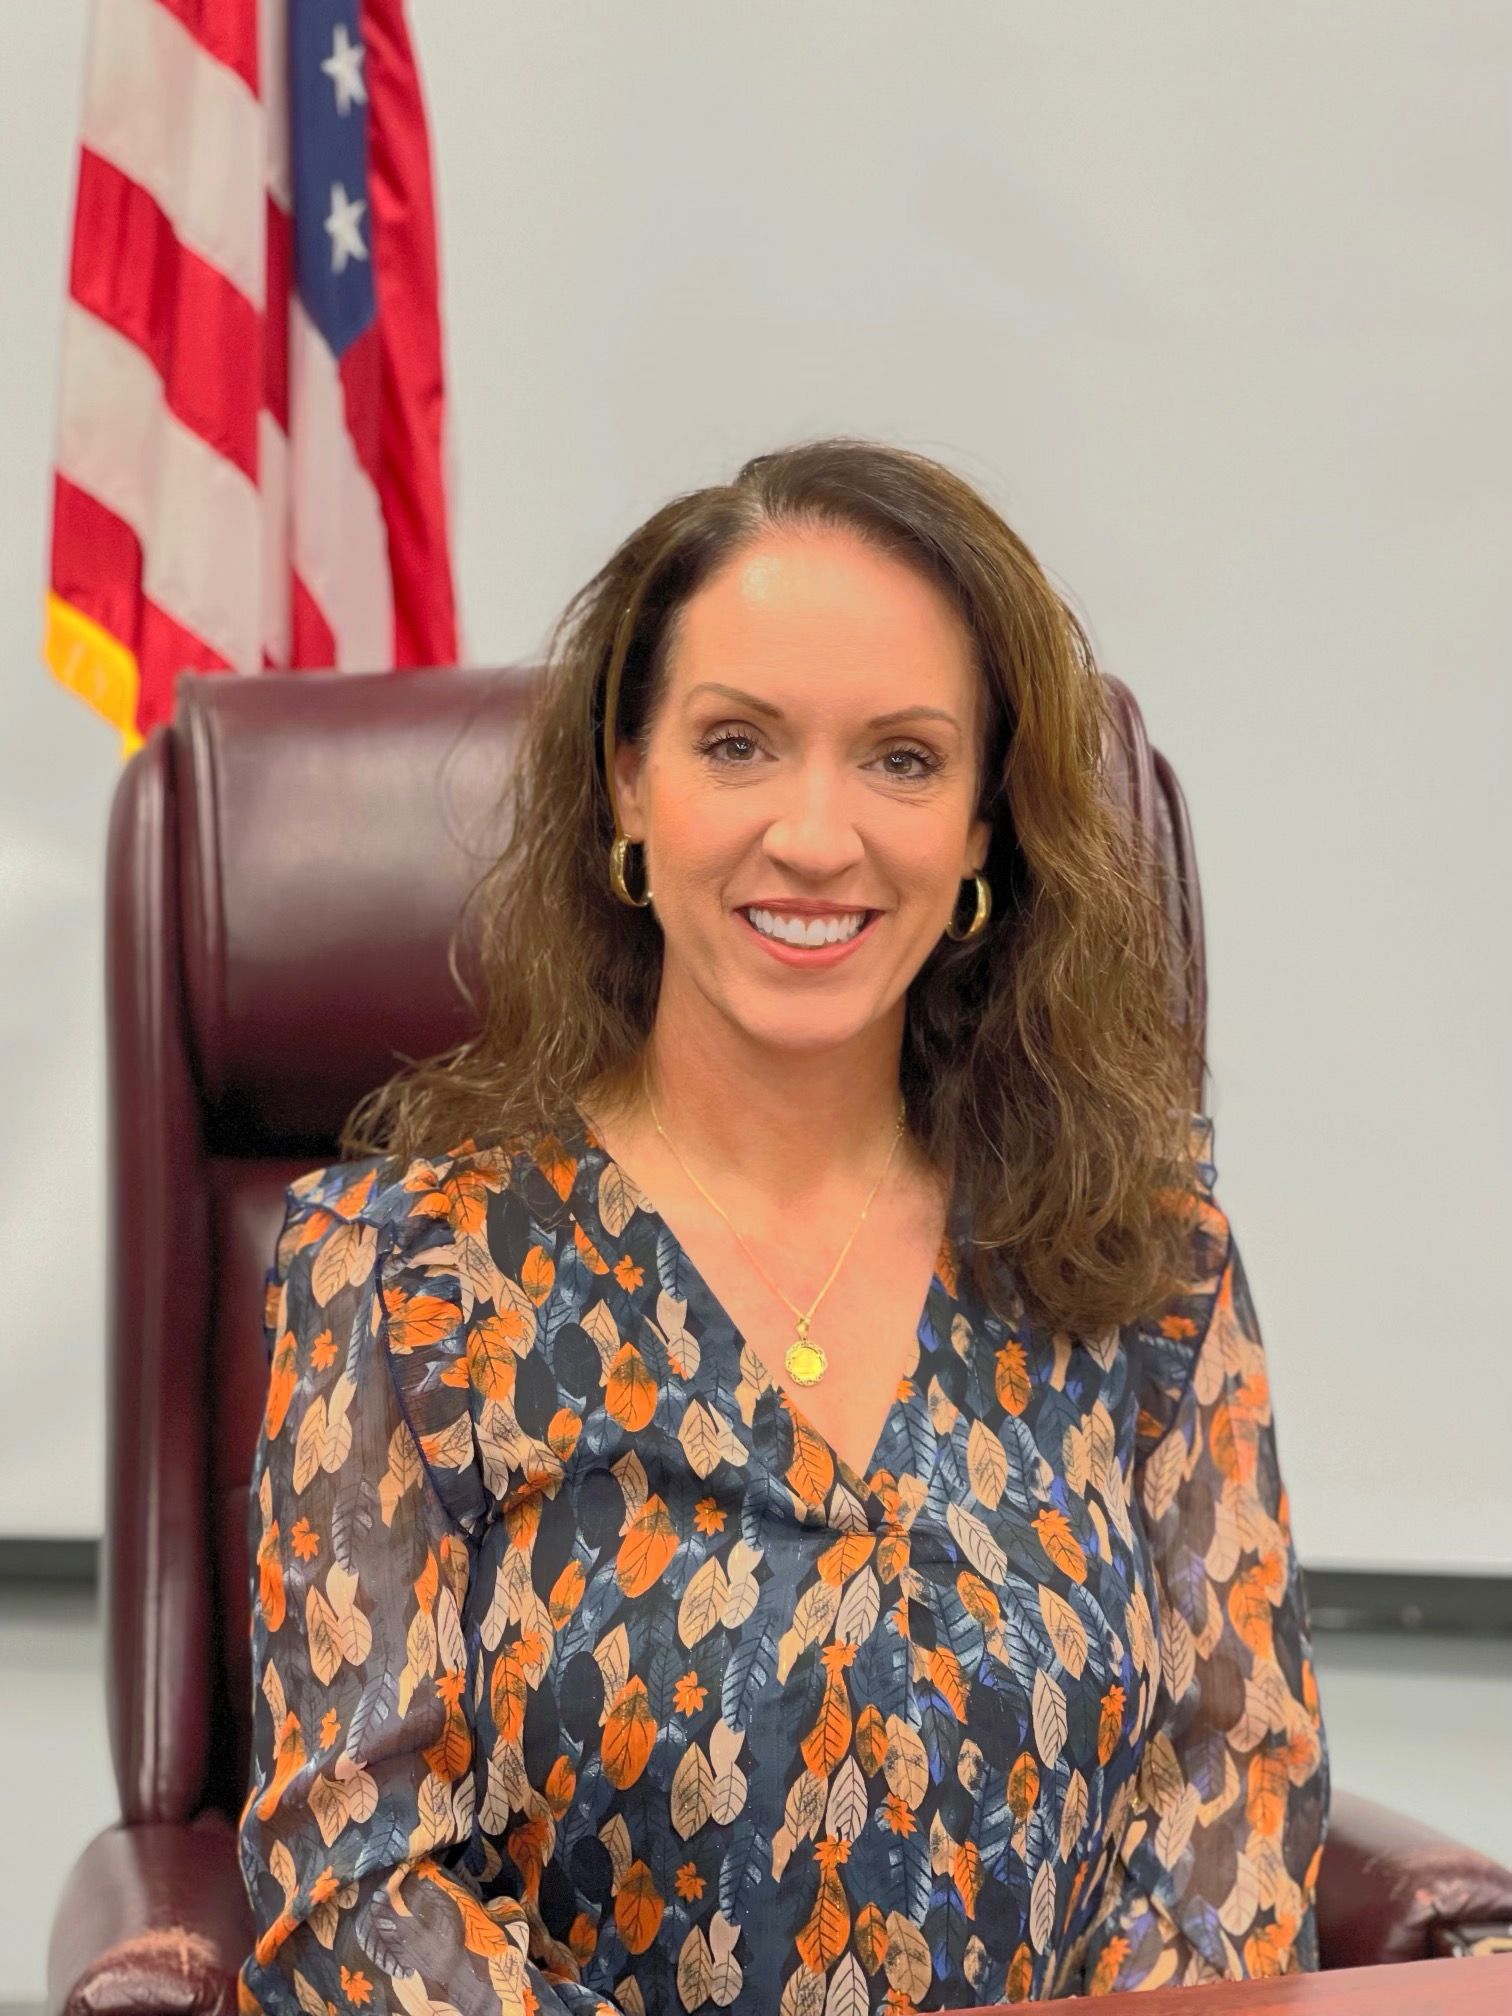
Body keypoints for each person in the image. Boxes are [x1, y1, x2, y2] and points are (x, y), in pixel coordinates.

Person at [235, 438, 1329, 2013]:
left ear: (980, 831)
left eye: (901, 759)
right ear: (629, 782)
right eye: (738, 744)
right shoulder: (407, 1274)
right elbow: (353, 1887)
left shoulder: (1145, 1263)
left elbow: (1237, 1795)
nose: (816, 837)